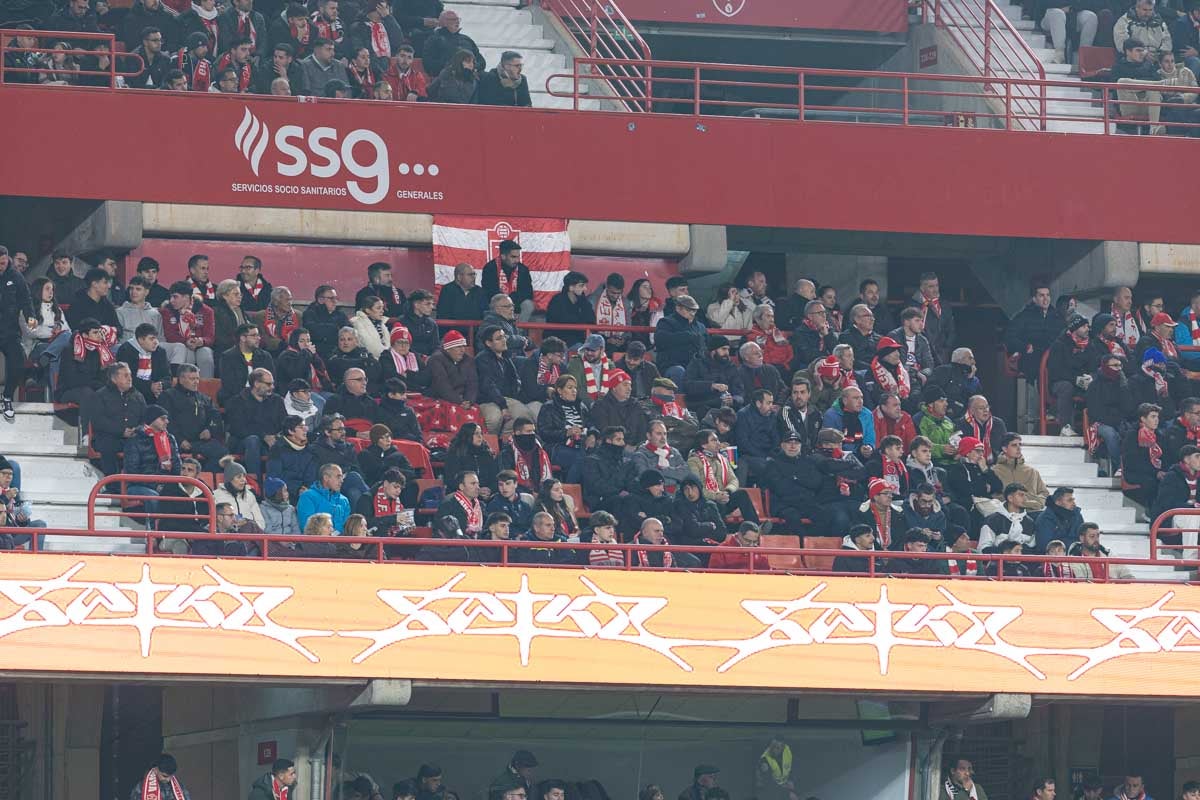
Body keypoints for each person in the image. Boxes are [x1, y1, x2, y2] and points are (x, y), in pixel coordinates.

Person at [0, 247, 36, 420]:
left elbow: (26, 300)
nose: (0, 266)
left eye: (3, 262)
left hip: (9, 330)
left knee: (18, 361)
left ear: (8, 260)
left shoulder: (16, 277)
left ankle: (6, 396)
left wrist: (31, 317)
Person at [160, 281, 215, 378]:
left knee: (205, 356)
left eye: (175, 297)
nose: (171, 300)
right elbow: (170, 336)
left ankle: (206, 388)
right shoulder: (167, 311)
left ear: (186, 297)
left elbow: (210, 336)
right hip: (182, 345)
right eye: (171, 297)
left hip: (201, 346)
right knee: (188, 356)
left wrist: (201, 341)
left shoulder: (206, 311)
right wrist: (186, 341)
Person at [685, 335, 744, 423]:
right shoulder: (697, 363)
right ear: (713, 351)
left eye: (728, 349)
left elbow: (740, 392)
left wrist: (733, 400)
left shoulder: (731, 367)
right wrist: (711, 386)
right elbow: (688, 385)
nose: (727, 353)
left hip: (728, 408)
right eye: (723, 349)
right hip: (703, 405)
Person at [655, 294, 707, 383]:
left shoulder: (701, 327)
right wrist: (688, 336)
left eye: (694, 310)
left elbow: (706, 346)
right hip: (672, 364)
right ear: (678, 308)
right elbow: (661, 341)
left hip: (696, 365)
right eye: (688, 310)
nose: (692, 313)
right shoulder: (666, 322)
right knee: (678, 371)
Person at [907, 271, 955, 365]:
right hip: (919, 355)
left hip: (941, 356)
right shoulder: (912, 305)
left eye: (936, 285)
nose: (935, 289)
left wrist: (946, 350)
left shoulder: (944, 305)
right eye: (931, 286)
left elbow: (951, 330)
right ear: (922, 288)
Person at [1122, 402, 1165, 507]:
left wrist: (1163, 471)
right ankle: (1151, 513)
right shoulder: (1132, 435)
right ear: (1143, 419)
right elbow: (1132, 462)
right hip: (1135, 473)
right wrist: (1156, 473)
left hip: (1155, 472)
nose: (1156, 420)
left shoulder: (1159, 435)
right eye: (1153, 417)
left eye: (1157, 417)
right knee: (1152, 483)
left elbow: (1166, 456)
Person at [117, 323, 171, 404]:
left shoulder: (160, 352)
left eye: (156, 338)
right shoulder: (126, 350)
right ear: (141, 340)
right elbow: (124, 378)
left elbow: (167, 376)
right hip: (131, 394)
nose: (156, 342)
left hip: (155, 394)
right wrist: (149, 386)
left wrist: (161, 385)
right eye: (151, 339)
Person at [991, 434, 1048, 511]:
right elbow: (992, 496)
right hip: (1005, 515)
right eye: (1014, 445)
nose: (1019, 448)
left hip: (1032, 513)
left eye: (1020, 445)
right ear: (1004, 449)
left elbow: (1044, 493)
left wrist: (1036, 503)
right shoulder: (994, 471)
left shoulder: (1032, 471)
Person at [266, 415, 318, 497]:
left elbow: (311, 476)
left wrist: (306, 488)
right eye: (301, 427)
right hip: (283, 494)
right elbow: (274, 477)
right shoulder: (277, 450)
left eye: (305, 426)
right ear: (290, 431)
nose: (306, 429)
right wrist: (297, 489)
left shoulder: (310, 450)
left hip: (306, 493)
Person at [821, 385, 875, 461]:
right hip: (838, 457)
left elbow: (870, 436)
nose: (860, 401)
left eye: (861, 398)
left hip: (863, 455)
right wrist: (858, 450)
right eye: (856, 398)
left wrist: (869, 447)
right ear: (845, 400)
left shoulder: (867, 414)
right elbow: (832, 443)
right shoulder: (831, 415)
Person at [978, 482, 1036, 551]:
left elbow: (1032, 549)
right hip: (997, 561)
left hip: (1022, 562)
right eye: (1021, 495)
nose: (1025, 499)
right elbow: (983, 548)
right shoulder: (992, 520)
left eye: (1026, 496)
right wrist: (1006, 553)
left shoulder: (1030, 523)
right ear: (1010, 498)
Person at [1068, 522, 1134, 580]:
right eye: (1092, 536)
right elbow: (1081, 586)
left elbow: (1129, 576)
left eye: (1098, 536)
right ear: (1082, 538)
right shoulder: (1074, 560)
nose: (1096, 539)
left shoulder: (1108, 555)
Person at [1035, 486, 1084, 552]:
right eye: (1069, 500)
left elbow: (1083, 539)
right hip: (1053, 559)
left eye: (1073, 499)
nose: (1074, 503)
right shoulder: (1045, 519)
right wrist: (1073, 545)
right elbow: (1045, 547)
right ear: (1057, 502)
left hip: (1075, 557)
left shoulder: (1077, 516)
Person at [838, 304, 880, 372]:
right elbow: (853, 361)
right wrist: (873, 369)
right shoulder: (846, 337)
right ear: (857, 319)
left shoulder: (879, 338)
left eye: (872, 316)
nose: (872, 319)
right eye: (868, 316)